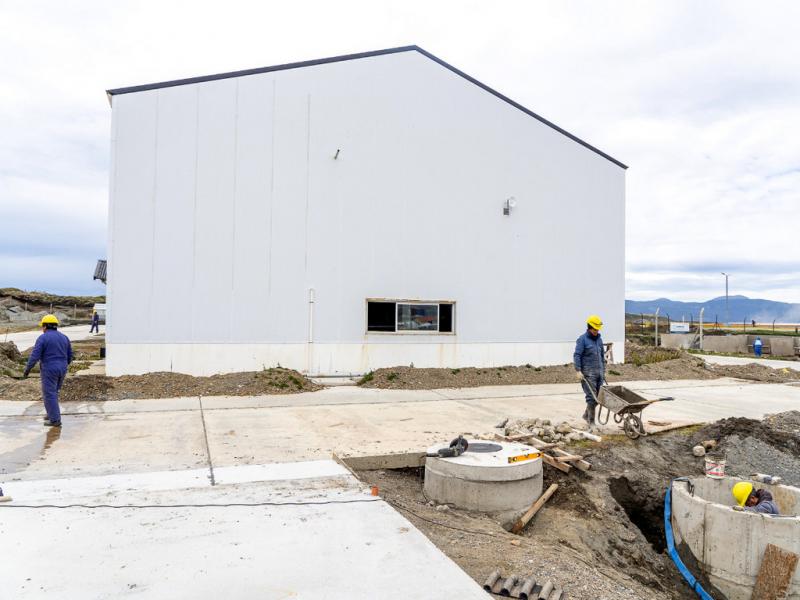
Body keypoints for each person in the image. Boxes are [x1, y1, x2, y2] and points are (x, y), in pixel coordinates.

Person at [22, 314, 73, 427]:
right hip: (62, 368)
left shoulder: (43, 338)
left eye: (42, 326)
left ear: (45, 326)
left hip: (49, 369)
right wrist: (63, 365)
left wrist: (27, 370)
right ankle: (51, 414)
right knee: (54, 392)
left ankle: (55, 420)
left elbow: (34, 356)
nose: (42, 328)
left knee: (49, 394)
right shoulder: (64, 337)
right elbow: (70, 355)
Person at [573, 315, 606, 426]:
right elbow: (577, 355)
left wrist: (603, 371)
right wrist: (578, 370)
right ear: (590, 327)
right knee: (592, 398)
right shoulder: (582, 340)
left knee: (600, 397)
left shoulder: (599, 340)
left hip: (599, 373)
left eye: (598, 329)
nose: (596, 331)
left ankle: (586, 415)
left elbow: (602, 356)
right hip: (588, 374)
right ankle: (591, 422)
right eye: (595, 329)